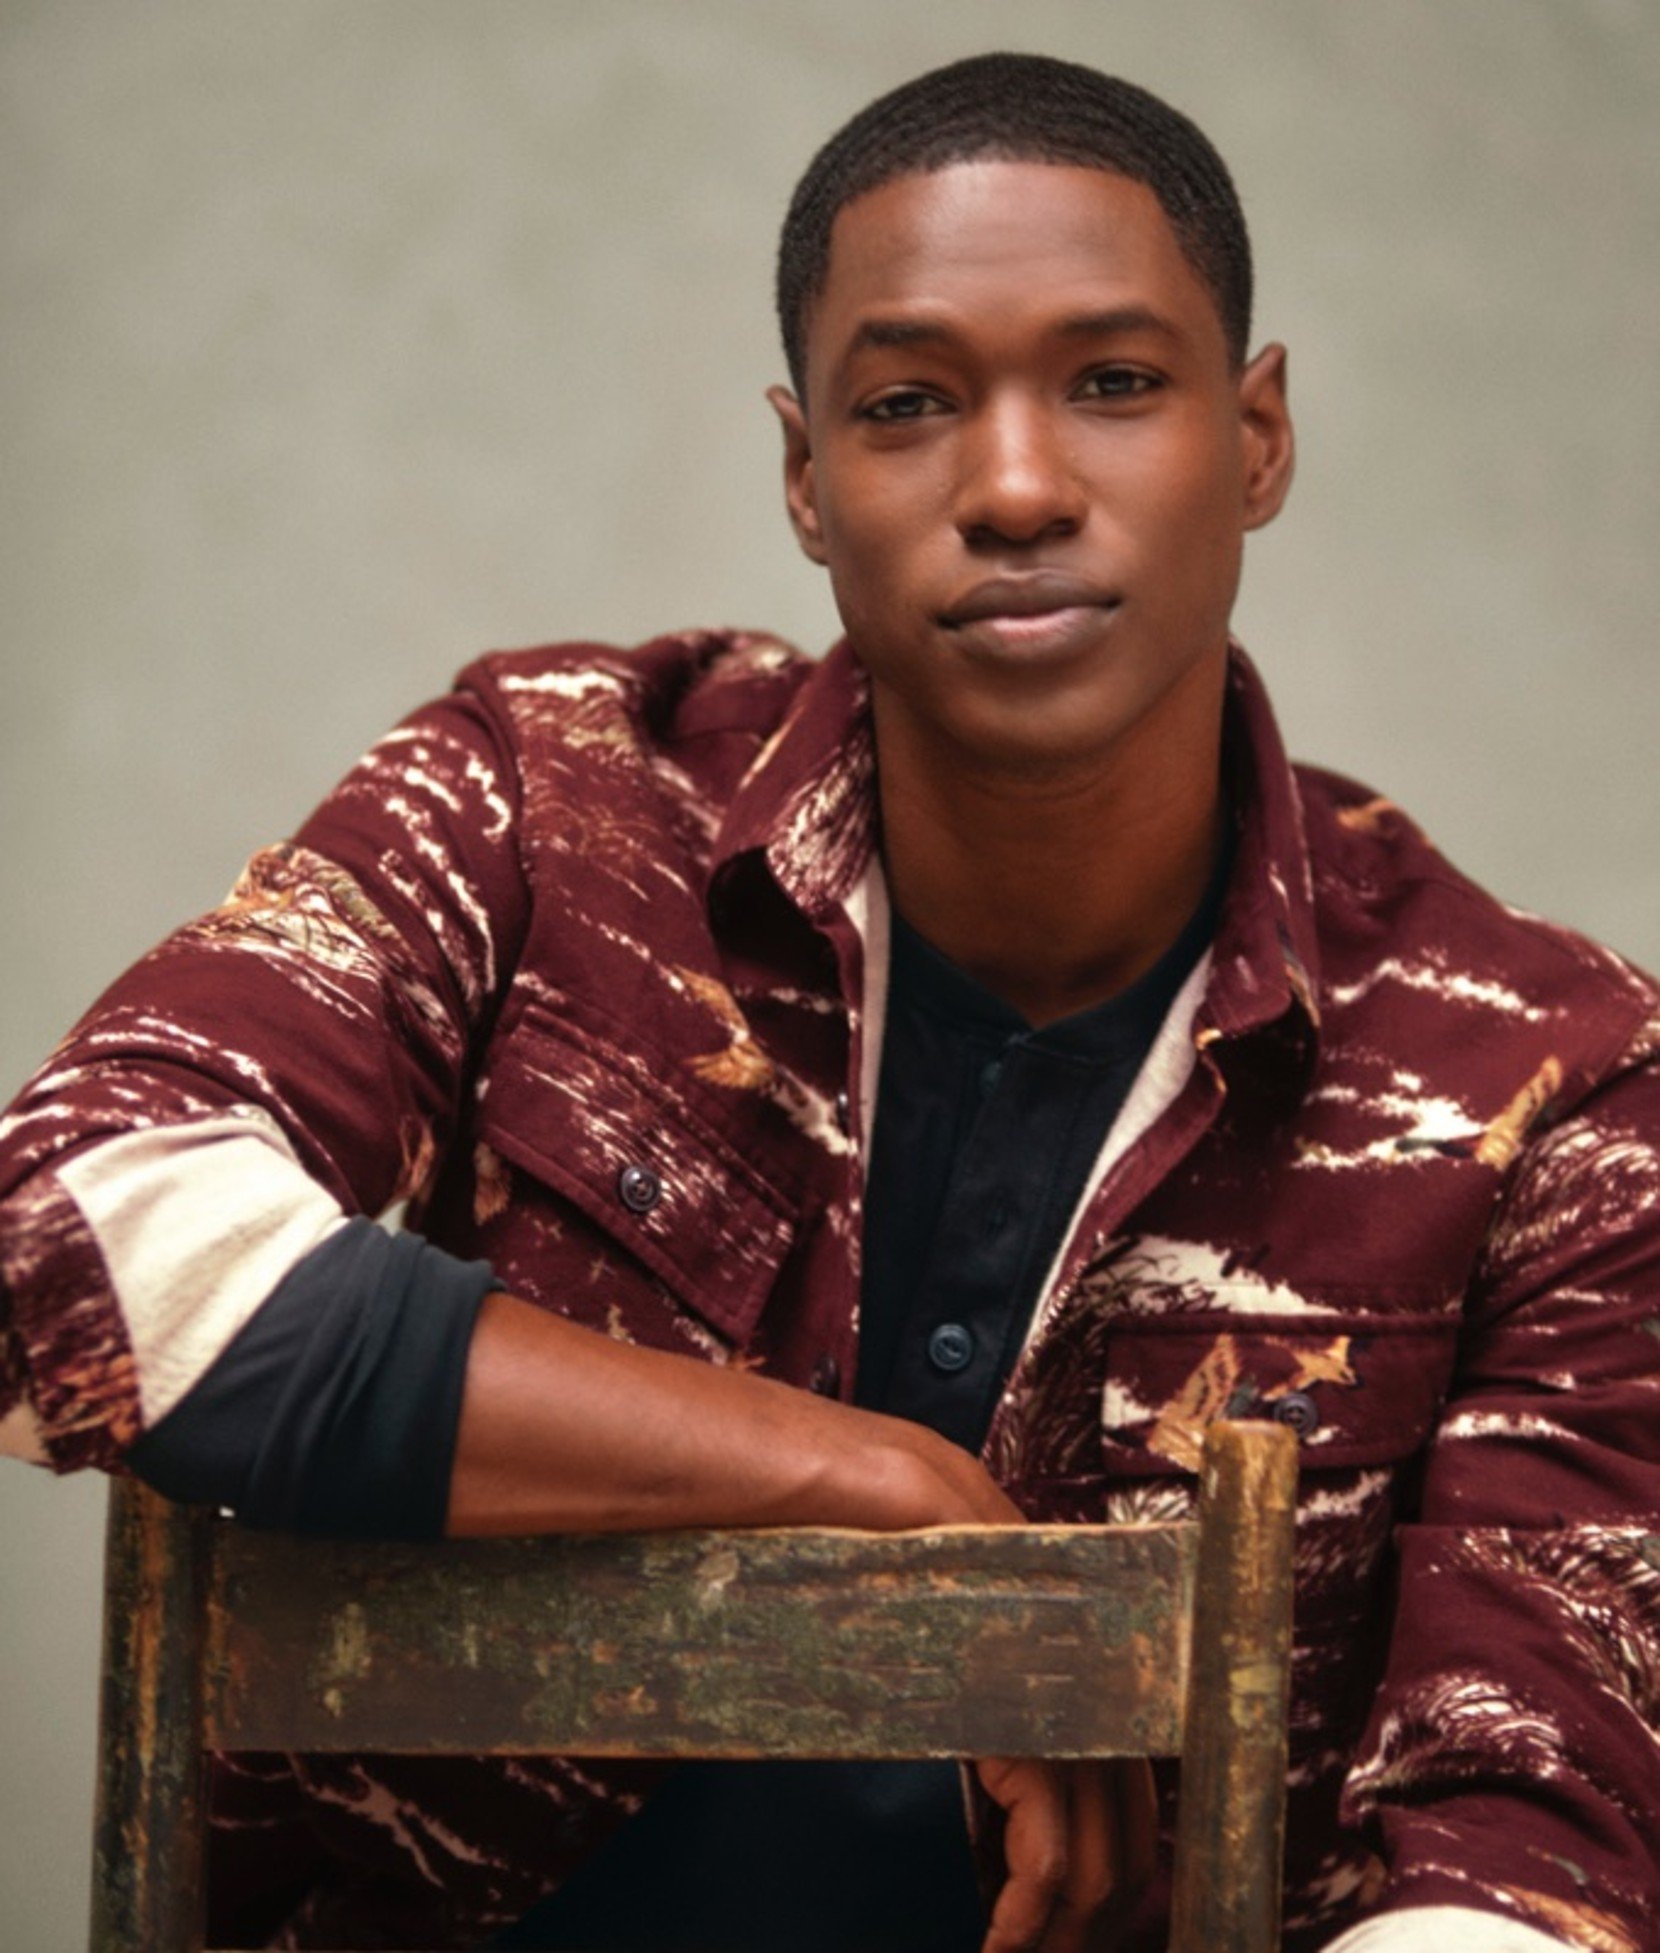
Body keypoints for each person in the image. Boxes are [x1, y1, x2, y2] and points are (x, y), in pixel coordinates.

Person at [1, 47, 1655, 1953]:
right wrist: (868, 1478)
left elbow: (1530, 1860)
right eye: (908, 403)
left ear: (1260, 434)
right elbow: (74, 1224)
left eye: (1114, 382)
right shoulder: (553, 805)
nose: (1019, 485)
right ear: (804, 471)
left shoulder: (1551, 1079)